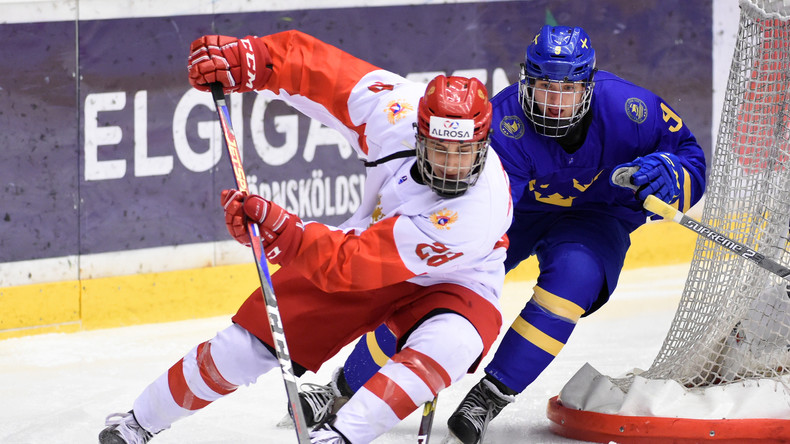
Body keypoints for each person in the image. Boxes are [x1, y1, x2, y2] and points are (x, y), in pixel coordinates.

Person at [295, 24, 707, 444]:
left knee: (573, 283)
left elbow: (691, 157)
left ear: (588, 87)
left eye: (566, 90)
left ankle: (488, 398)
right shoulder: (504, 122)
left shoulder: (631, 110)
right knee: (432, 291)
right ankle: (343, 387)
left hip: (597, 219)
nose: (554, 103)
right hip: (515, 213)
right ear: (526, 81)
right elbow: (476, 205)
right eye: (544, 87)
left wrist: (672, 174)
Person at [97, 30, 513, 444]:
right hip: (364, 246)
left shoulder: (479, 209)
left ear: (483, 145)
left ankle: (340, 436)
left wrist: (289, 238)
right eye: (441, 150)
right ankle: (137, 422)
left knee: (451, 344)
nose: (451, 167)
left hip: (459, 280)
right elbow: (327, 74)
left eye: (464, 153)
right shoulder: (397, 113)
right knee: (244, 346)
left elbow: (354, 263)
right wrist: (257, 59)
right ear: (418, 135)